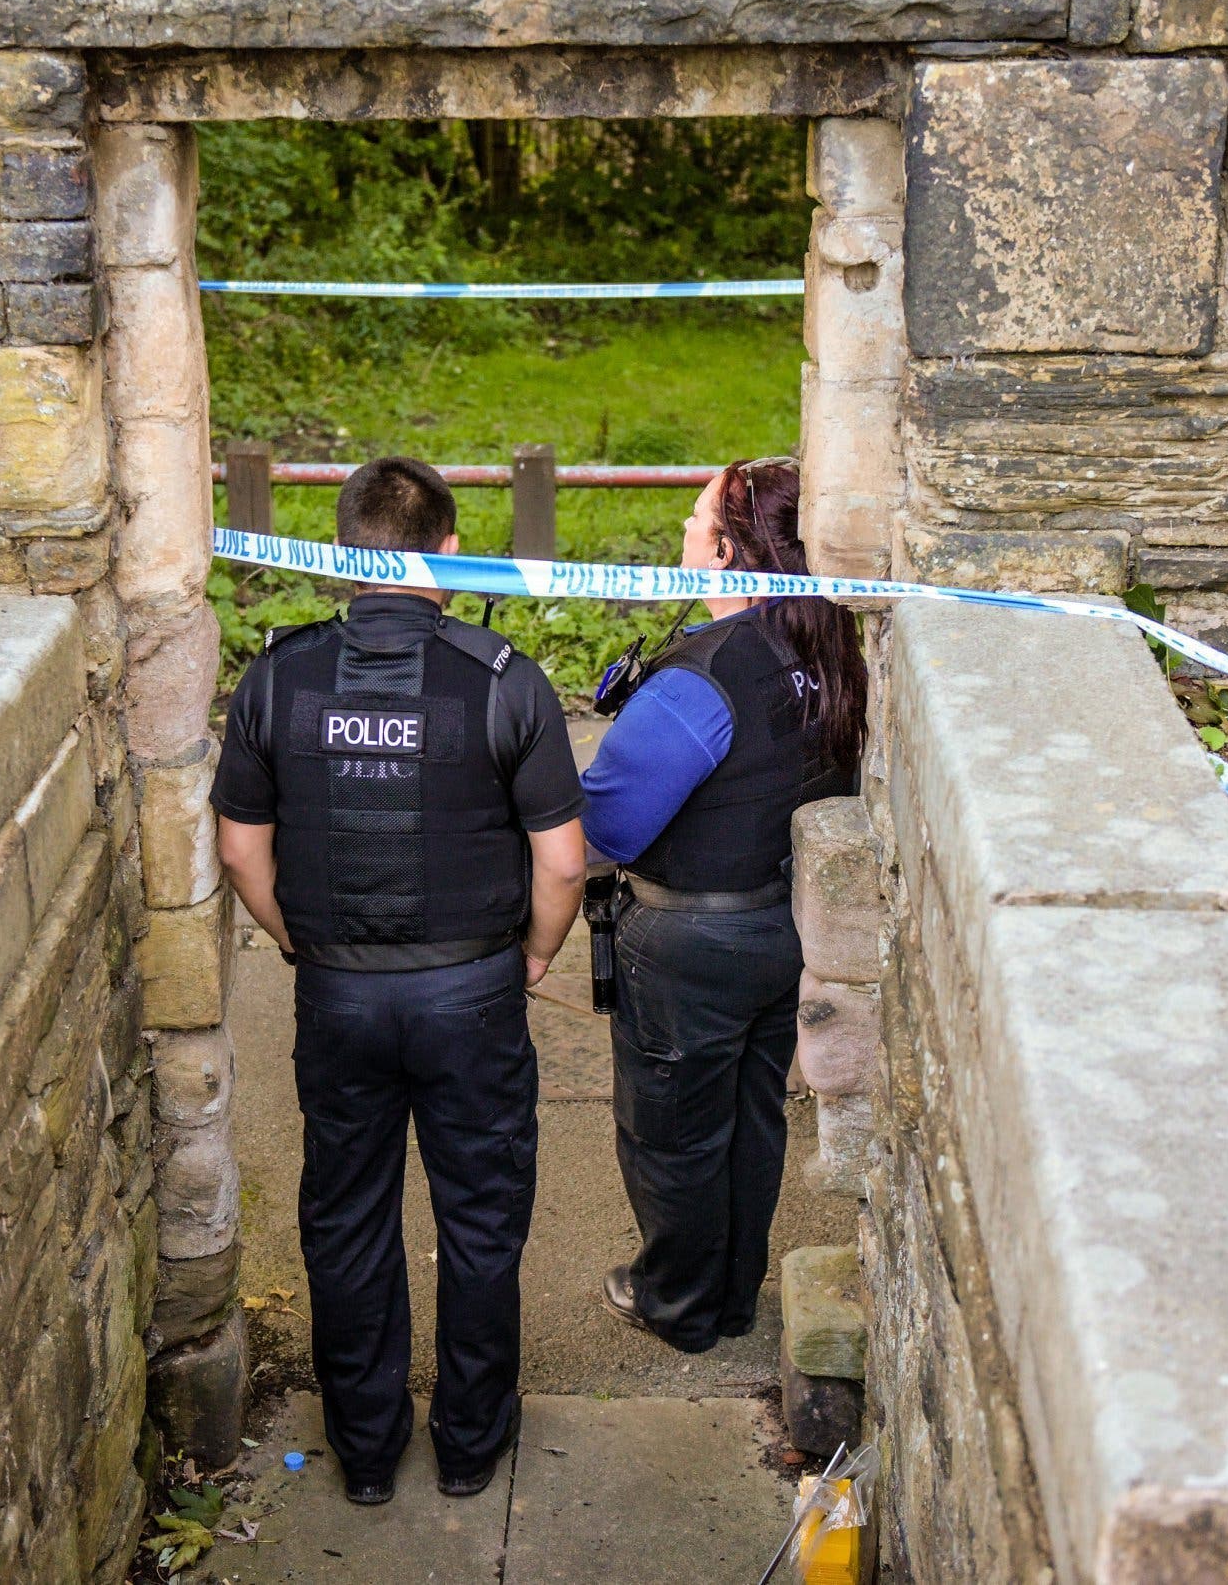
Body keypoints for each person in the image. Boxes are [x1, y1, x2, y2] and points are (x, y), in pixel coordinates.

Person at [212, 457, 588, 1507]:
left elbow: (242, 851)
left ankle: (367, 1453)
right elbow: (562, 860)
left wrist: (299, 941)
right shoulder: (503, 679)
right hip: (470, 992)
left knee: (346, 1217)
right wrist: (535, 957)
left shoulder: (278, 677)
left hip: (337, 992)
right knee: (479, 1217)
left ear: (339, 555)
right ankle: (469, 1449)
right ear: (450, 553)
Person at [580, 455, 867, 1354]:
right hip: (785, 927)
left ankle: (678, 1303)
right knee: (751, 1115)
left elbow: (612, 825)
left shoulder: (702, 682)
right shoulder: (824, 645)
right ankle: (733, 1291)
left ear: (736, 555)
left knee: (671, 1133)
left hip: (690, 945)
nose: (683, 538)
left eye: (697, 526)